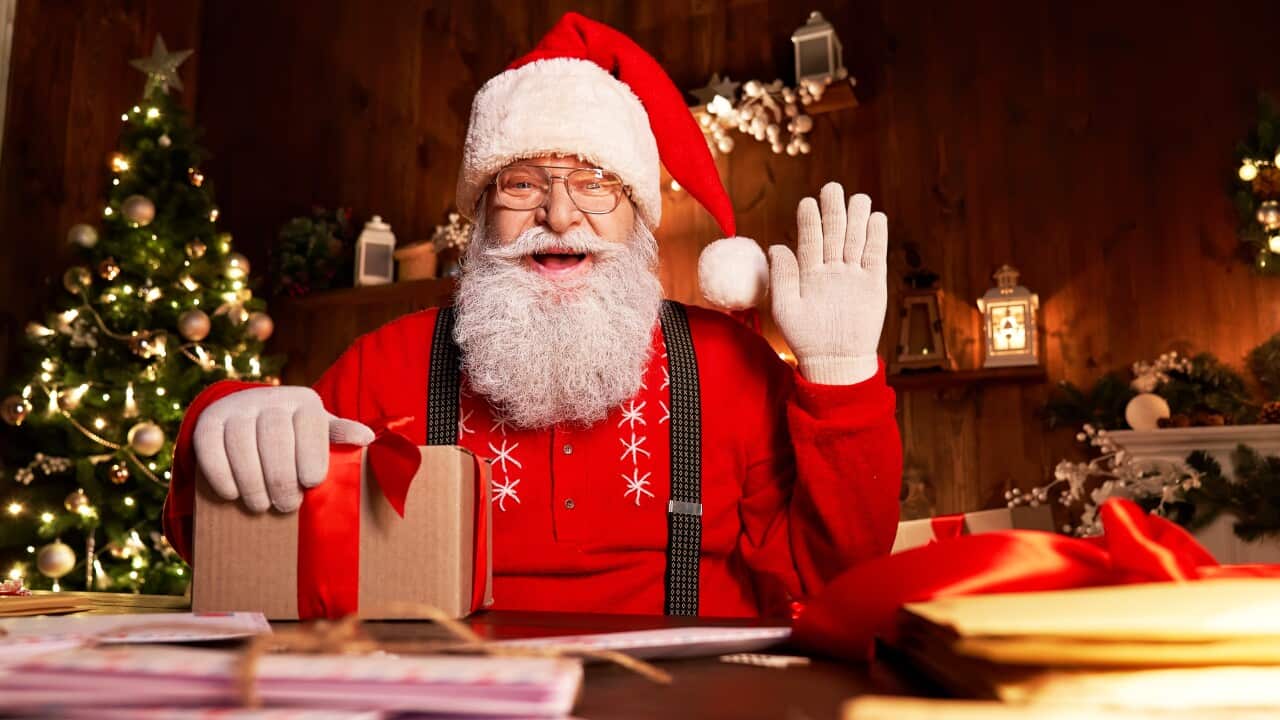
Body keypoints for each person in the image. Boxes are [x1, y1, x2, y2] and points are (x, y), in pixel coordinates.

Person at [163, 12, 901, 617]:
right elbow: (229, 545)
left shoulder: (725, 364)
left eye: (595, 183)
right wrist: (224, 423)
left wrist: (842, 381)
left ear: (638, 218)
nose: (557, 213)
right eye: (520, 184)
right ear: (480, 219)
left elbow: (829, 579)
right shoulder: (382, 366)